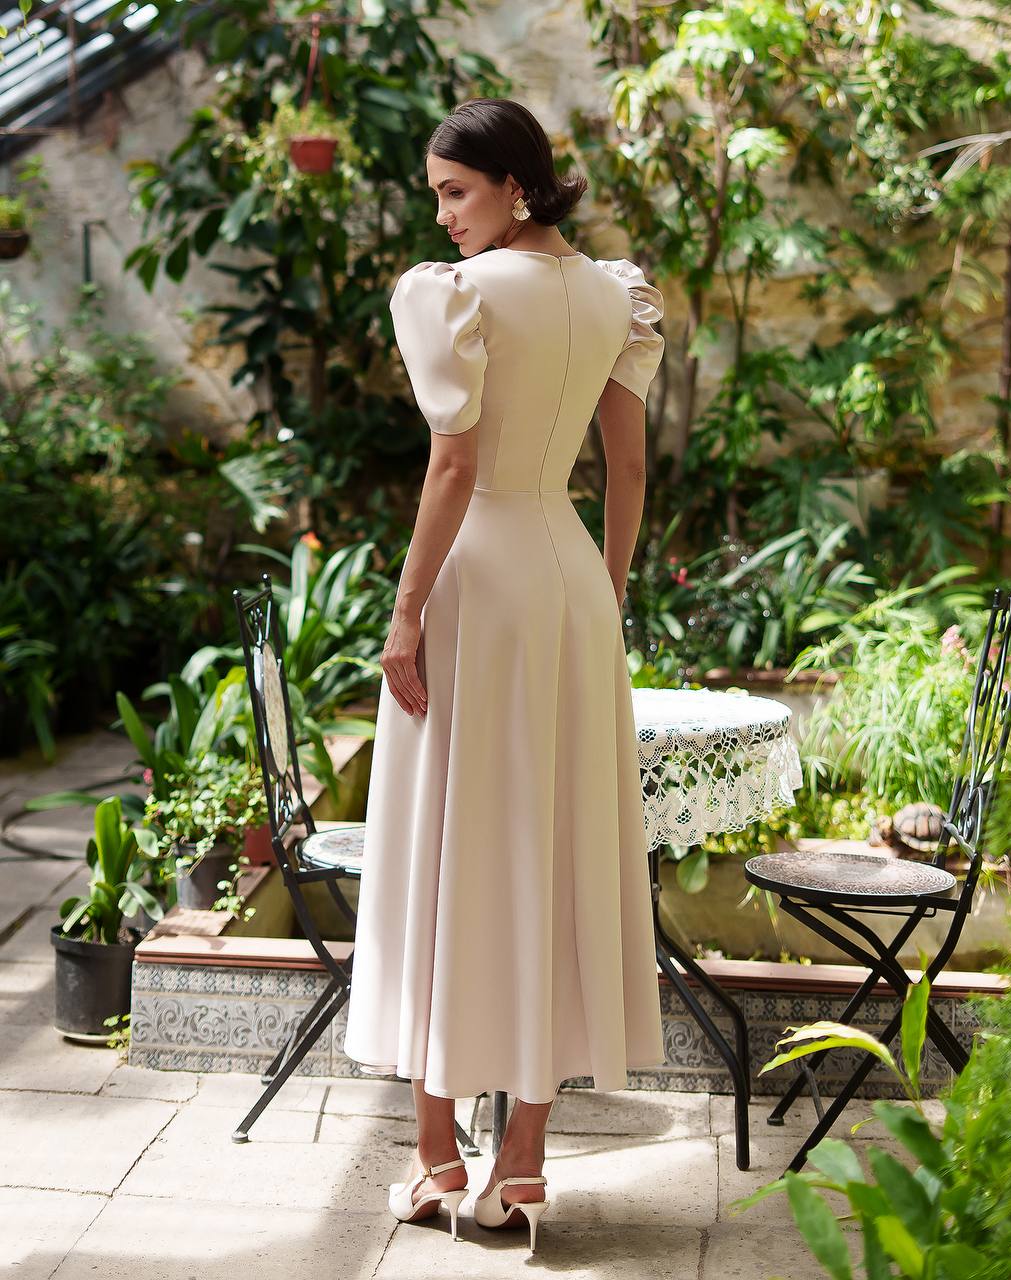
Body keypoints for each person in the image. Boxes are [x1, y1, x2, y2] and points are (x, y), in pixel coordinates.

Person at [341, 96, 667, 1250]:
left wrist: (403, 610)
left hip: (477, 581)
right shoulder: (615, 293)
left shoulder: (455, 295)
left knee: (441, 845)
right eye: (439, 195)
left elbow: (452, 467)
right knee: (547, 850)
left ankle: (438, 1155)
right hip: (571, 584)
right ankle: (514, 1167)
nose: (444, 216)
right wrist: (606, 596)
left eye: (455, 192)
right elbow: (626, 468)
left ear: (514, 185)